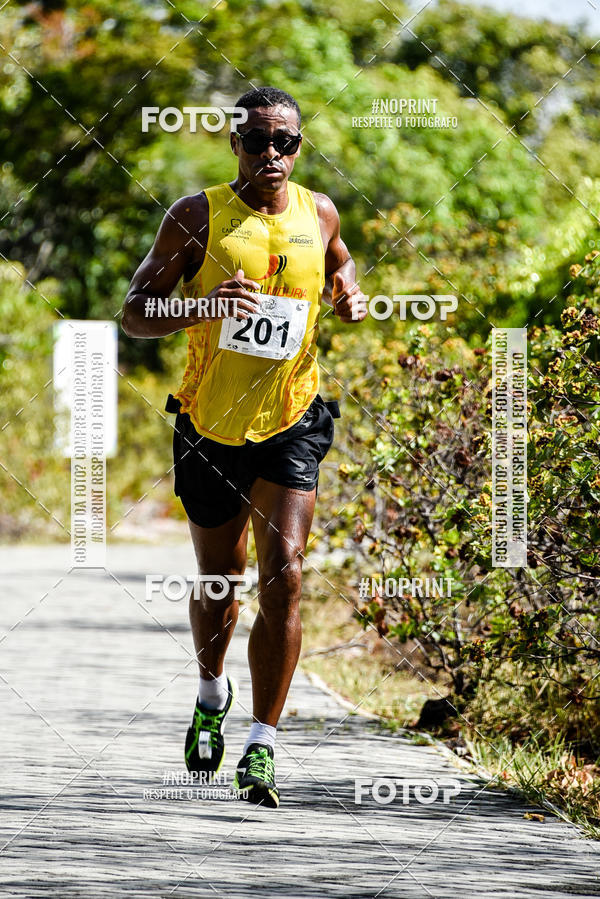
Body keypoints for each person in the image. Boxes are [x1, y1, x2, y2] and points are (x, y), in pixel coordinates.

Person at [122, 86, 367, 808]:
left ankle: (262, 746)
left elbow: (340, 258)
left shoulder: (318, 211)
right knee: (218, 583)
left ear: (299, 146)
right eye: (257, 141)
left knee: (285, 575)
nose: (272, 155)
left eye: (285, 142)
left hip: (292, 417)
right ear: (235, 144)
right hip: (208, 425)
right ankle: (210, 693)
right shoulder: (195, 217)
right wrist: (204, 304)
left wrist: (348, 290)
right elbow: (135, 314)